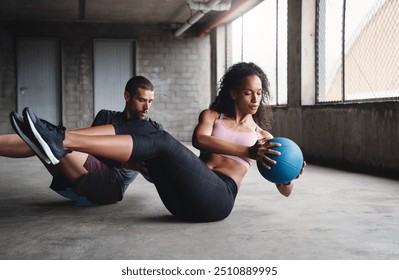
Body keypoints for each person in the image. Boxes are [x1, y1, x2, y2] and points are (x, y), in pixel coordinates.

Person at [13, 62, 304, 222]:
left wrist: (290, 174)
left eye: (258, 93)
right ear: (232, 93)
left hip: (217, 200)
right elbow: (199, 139)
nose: (255, 99)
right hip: (179, 203)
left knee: (158, 137)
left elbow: (284, 189)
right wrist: (246, 150)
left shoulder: (263, 137)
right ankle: (60, 139)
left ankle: (60, 139)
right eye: (248, 92)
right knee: (148, 135)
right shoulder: (212, 116)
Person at [3, 76, 162, 206]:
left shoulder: (149, 129)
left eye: (150, 101)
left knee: (52, 142)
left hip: (109, 188)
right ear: (127, 96)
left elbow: (156, 176)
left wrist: (146, 167)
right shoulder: (106, 116)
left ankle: (44, 132)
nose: (147, 107)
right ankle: (42, 134)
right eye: (142, 100)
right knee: (39, 142)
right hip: (77, 180)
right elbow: (88, 149)